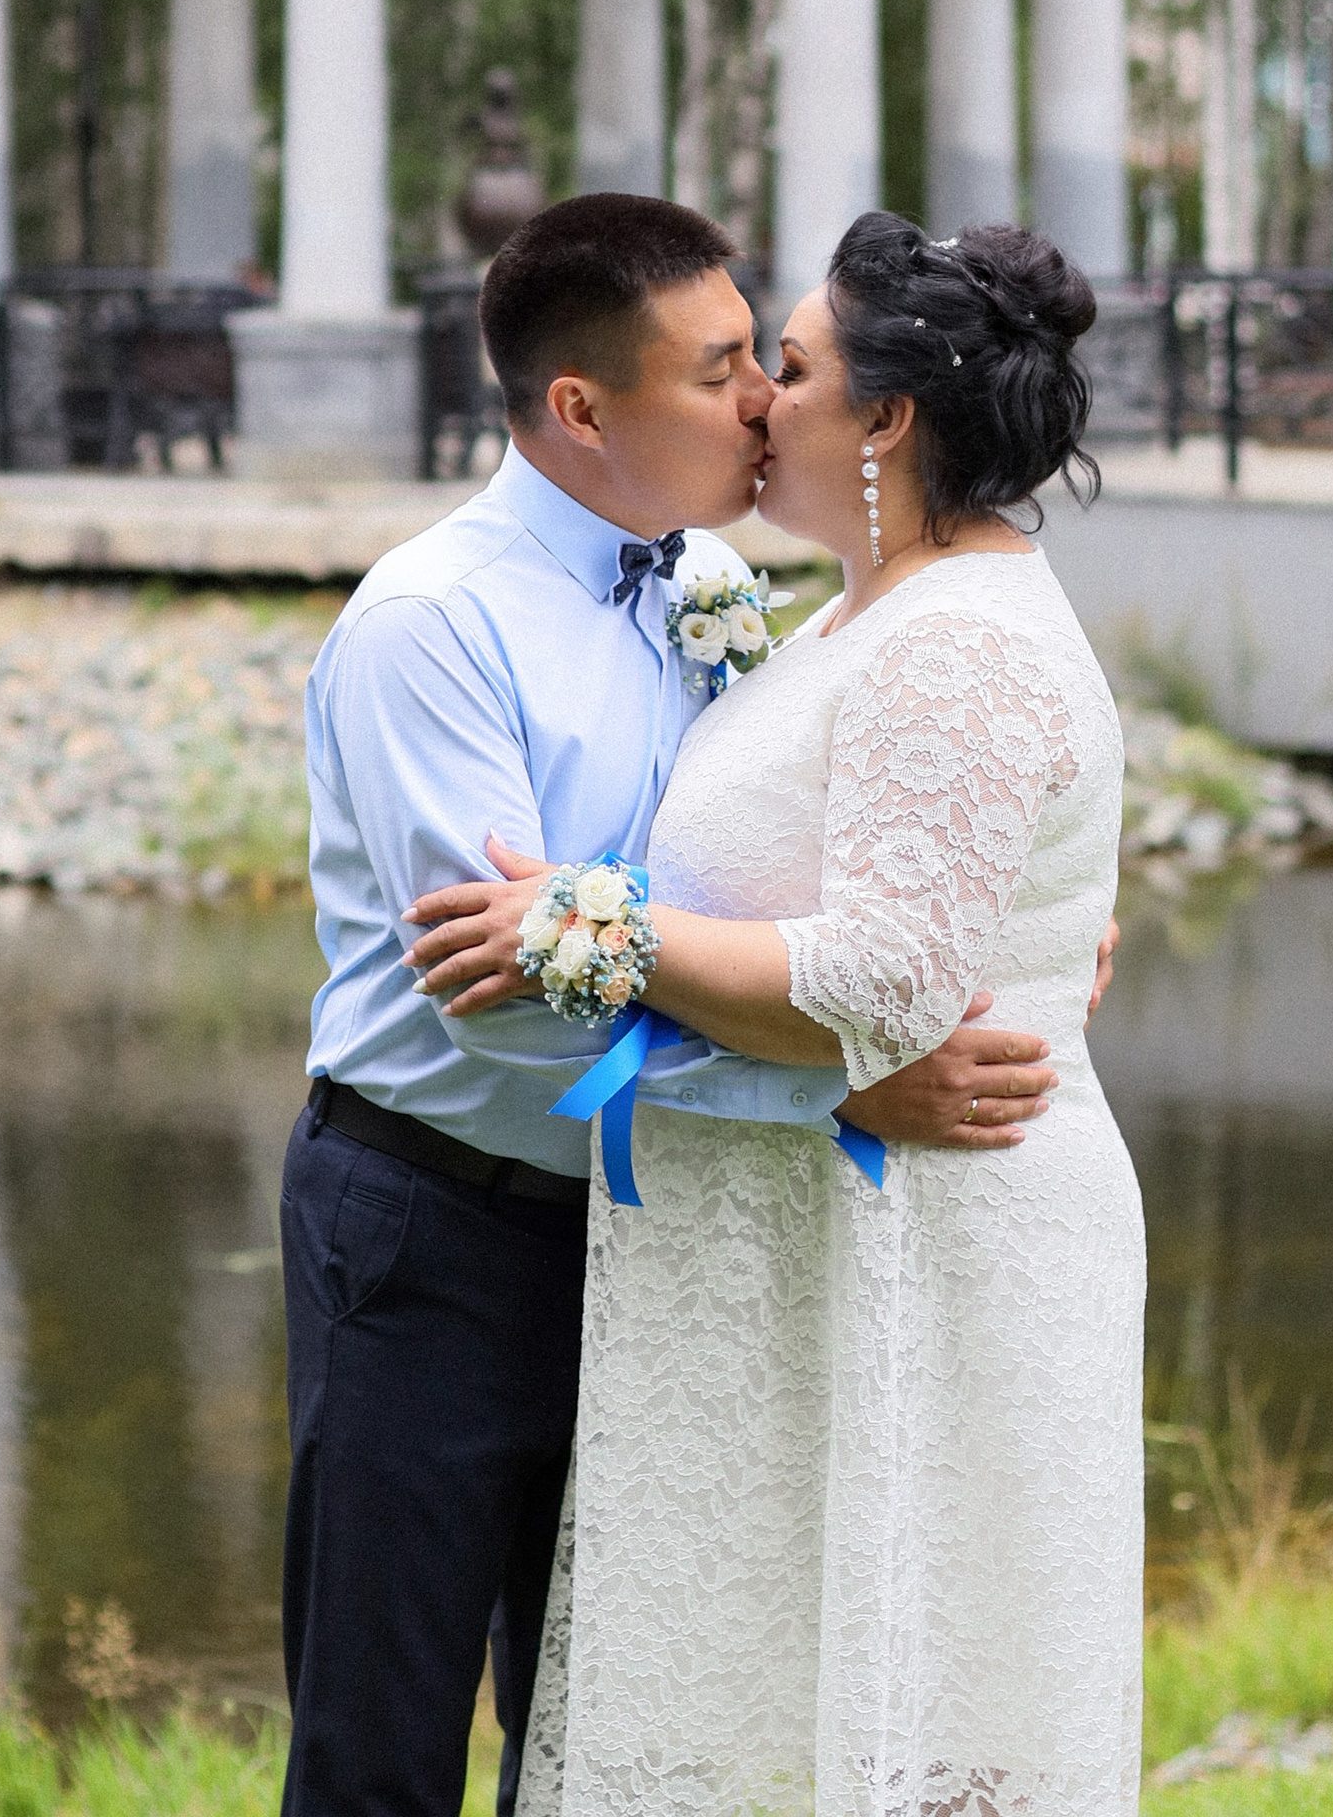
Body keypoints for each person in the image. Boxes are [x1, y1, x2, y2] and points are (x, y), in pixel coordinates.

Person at [283, 196, 1088, 1817]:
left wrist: (1034, 921)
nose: (758, 402)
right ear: (581, 408)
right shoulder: (431, 627)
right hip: (439, 1225)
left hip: (665, 1243)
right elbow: (502, 1003)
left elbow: (820, 858)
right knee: (385, 1733)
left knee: (602, 1722)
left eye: (767, 362)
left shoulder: (717, 582)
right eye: (727, 366)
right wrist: (832, 1089)